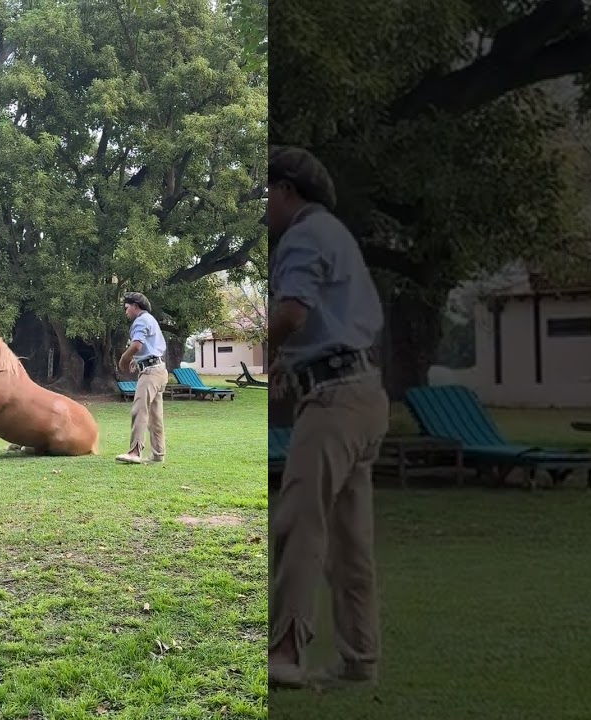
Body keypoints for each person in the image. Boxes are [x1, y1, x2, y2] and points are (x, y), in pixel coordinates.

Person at [267, 145, 390, 690]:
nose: (263, 206)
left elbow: (293, 311)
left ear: (286, 190)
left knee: (299, 521)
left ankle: (285, 650)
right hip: (366, 393)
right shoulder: (336, 234)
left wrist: (268, 351)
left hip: (334, 400)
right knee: (350, 538)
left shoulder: (303, 236)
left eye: (265, 192)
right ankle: (360, 657)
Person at [116, 292, 168, 464]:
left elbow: (137, 345)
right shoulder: (150, 320)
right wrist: (136, 361)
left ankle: (134, 452)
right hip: (159, 370)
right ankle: (158, 454)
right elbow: (148, 347)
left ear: (135, 306)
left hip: (150, 373)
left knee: (139, 410)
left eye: (127, 308)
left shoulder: (140, 321)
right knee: (155, 416)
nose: (126, 311)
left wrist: (124, 359)